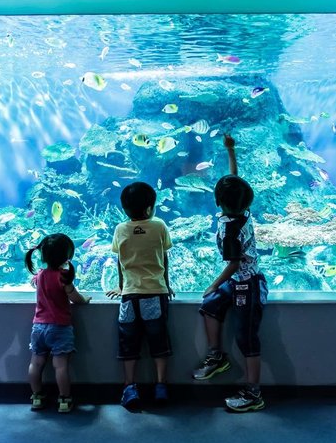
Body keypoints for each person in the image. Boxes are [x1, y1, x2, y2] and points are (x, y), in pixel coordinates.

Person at [192, 133, 269, 412]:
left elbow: (234, 264)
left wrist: (213, 284)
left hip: (247, 284)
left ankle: (254, 393)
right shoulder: (242, 211)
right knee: (210, 307)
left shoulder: (230, 231)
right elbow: (234, 180)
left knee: (246, 338)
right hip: (238, 280)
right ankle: (217, 356)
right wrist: (230, 150)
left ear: (218, 202)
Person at [106, 181, 174, 411]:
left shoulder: (120, 229)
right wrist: (167, 283)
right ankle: (161, 385)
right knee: (159, 341)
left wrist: (121, 285)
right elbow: (164, 258)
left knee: (129, 343)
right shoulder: (159, 226)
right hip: (156, 292)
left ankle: (129, 387)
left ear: (125, 209)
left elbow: (120, 259)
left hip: (130, 296)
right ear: (149, 209)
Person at [25, 233, 91, 413]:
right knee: (60, 366)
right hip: (60, 327)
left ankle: (37, 397)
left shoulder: (39, 276)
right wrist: (84, 300)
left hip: (38, 327)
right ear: (67, 256)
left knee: (36, 363)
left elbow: (36, 284)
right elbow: (75, 297)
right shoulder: (63, 277)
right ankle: (64, 399)